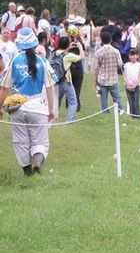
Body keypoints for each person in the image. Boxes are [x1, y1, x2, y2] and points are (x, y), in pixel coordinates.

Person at [0, 28, 56, 176]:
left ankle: (27, 172)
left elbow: (4, 87)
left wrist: (0, 107)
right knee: (40, 141)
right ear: (34, 43)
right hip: (37, 106)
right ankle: (37, 160)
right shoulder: (42, 61)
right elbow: (50, 87)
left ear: (18, 44)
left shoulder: (14, 61)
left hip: (17, 107)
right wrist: (51, 111)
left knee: (20, 141)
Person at [54, 37, 84, 122]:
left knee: (57, 101)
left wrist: (67, 47)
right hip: (66, 81)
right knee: (73, 102)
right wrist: (80, 47)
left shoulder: (55, 53)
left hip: (56, 80)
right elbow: (82, 57)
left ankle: (55, 117)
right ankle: (69, 120)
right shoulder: (68, 56)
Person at [94, 31, 123, 113]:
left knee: (103, 98)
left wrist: (95, 81)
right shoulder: (116, 51)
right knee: (116, 97)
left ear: (102, 40)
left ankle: (105, 112)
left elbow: (96, 68)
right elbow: (120, 64)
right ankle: (119, 111)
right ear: (110, 40)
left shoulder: (98, 52)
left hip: (102, 79)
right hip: (113, 78)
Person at [67, 26, 86, 112]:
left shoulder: (79, 43)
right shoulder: (71, 43)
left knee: (75, 88)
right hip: (72, 68)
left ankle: (74, 104)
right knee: (73, 88)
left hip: (74, 68)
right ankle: (73, 104)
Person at [123, 49, 140, 118]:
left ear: (137, 56)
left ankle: (137, 116)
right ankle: (132, 116)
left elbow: (139, 77)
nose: (133, 57)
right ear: (129, 56)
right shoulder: (126, 65)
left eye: (134, 55)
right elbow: (125, 76)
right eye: (131, 55)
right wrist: (128, 84)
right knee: (131, 103)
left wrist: (134, 86)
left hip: (136, 86)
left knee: (136, 103)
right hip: (128, 86)